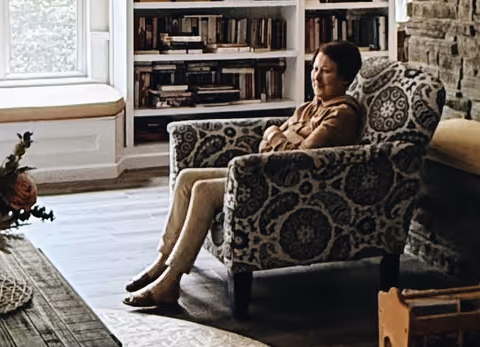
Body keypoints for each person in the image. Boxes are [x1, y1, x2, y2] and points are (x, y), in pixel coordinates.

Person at [125, 40, 367, 311]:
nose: (316, 77)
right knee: (187, 179)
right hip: (263, 173)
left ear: (345, 78)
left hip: (286, 187)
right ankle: (162, 261)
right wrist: (277, 138)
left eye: (326, 71)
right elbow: (269, 145)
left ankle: (170, 282)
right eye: (315, 68)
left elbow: (299, 159)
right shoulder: (309, 108)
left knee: (203, 190)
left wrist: (275, 135)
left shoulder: (341, 115)